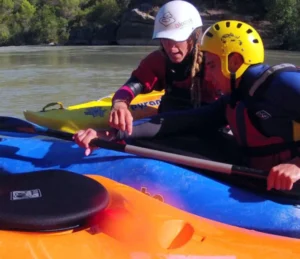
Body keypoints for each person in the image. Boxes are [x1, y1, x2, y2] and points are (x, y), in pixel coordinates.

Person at [74, 20, 300, 192]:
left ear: (234, 62)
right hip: (259, 175)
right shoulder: (233, 100)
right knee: (168, 140)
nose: (207, 75)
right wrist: (112, 135)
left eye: (211, 65)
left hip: (290, 188)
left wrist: (297, 165)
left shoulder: (282, 83)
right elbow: (178, 122)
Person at [109, 0, 217, 135]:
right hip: (166, 126)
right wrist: (120, 104)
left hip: (207, 128)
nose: (170, 47)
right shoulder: (158, 60)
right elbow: (131, 86)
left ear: (194, 36)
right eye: (165, 38)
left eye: (177, 38)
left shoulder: (212, 62)